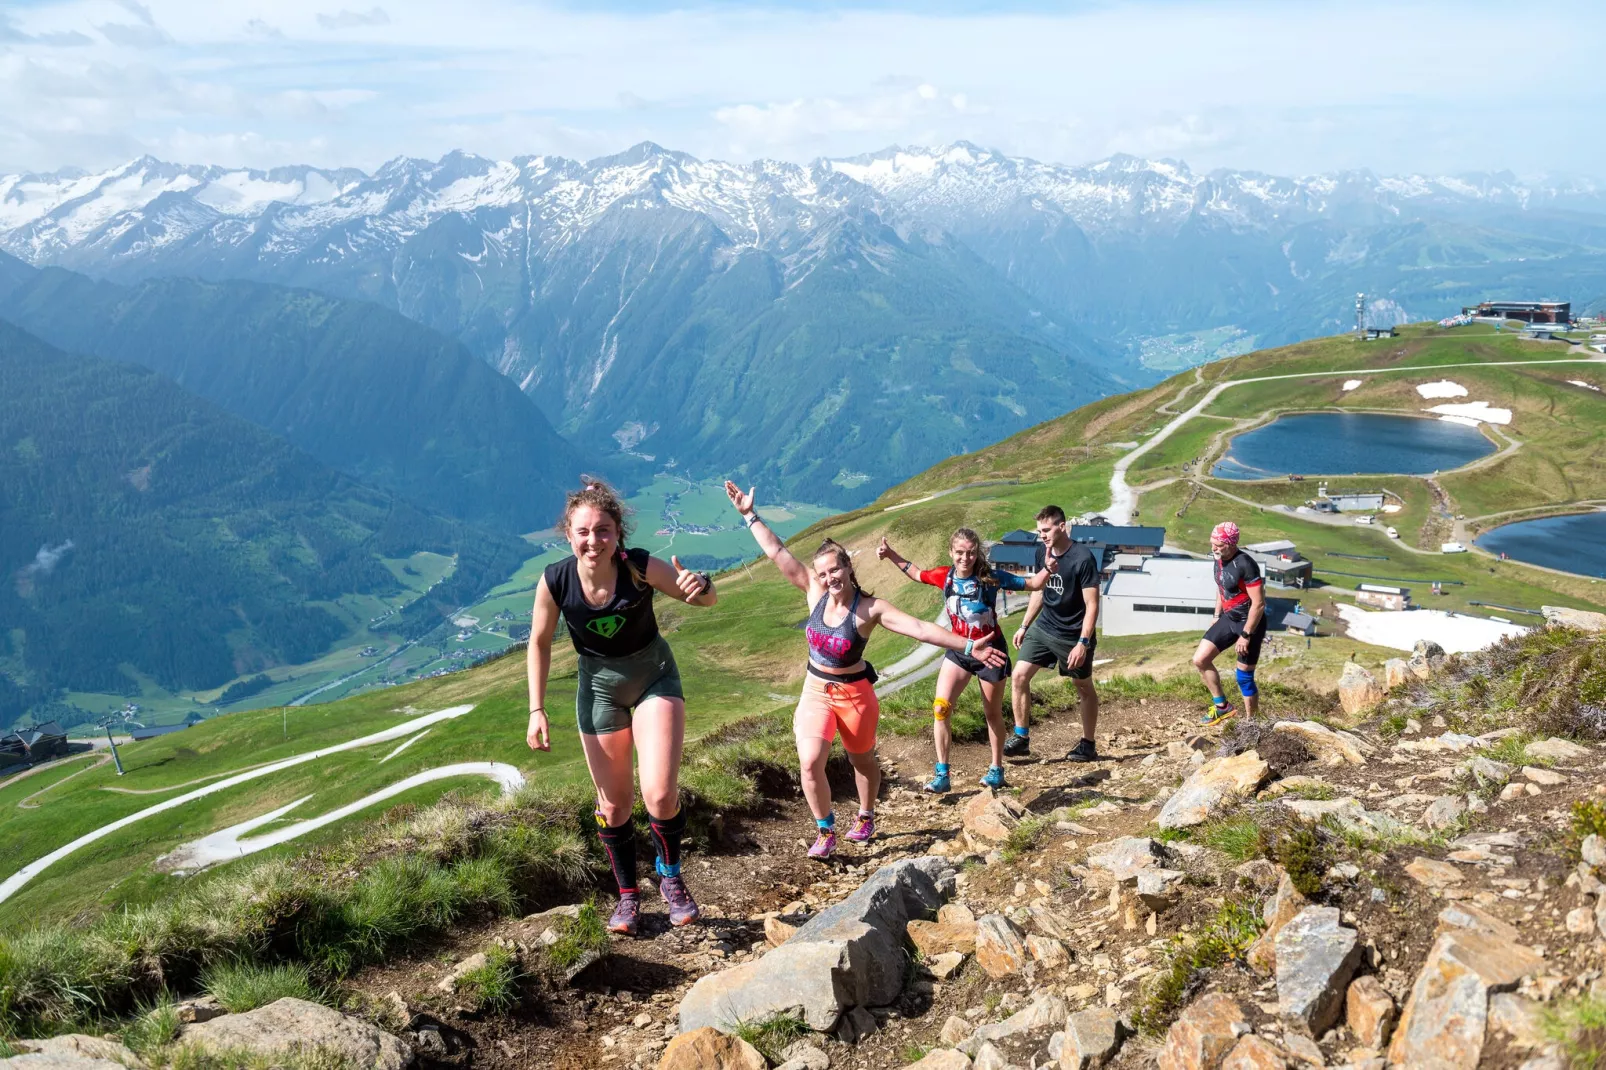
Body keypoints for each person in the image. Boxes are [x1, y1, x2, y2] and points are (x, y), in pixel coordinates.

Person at [726, 481, 1007, 860]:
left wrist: (969, 645)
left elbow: (921, 628)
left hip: (856, 694)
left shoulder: (871, 608)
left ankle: (866, 813)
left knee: (862, 760)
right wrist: (749, 515)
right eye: (823, 573)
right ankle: (826, 830)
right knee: (809, 762)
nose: (829, 579)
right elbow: (777, 551)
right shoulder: (813, 591)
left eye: (835, 570)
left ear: (848, 567)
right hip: (815, 690)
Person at [526, 479, 719, 937]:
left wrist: (700, 585)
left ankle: (670, 878)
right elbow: (538, 643)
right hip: (599, 690)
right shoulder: (556, 580)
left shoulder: (638, 566)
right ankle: (628, 896)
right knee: (613, 805)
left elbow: (706, 599)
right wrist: (536, 709)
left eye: (604, 530)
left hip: (654, 678)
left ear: (618, 533)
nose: (594, 540)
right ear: (568, 535)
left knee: (659, 794)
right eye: (585, 531)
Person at [877, 528, 1053, 792]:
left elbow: (1032, 585)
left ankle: (996, 769)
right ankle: (942, 773)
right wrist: (890, 554)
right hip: (961, 650)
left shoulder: (990, 578)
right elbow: (916, 573)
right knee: (941, 708)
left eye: (971, 552)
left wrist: (1049, 568)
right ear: (951, 552)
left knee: (992, 714)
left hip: (991, 654)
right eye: (960, 552)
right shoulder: (943, 577)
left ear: (977, 553)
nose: (965, 558)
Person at [1008, 505, 1102, 762]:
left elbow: (1092, 604)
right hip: (1045, 626)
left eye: (1047, 530)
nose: (1043, 536)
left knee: (1082, 686)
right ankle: (1022, 737)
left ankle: (1088, 744)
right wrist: (1025, 625)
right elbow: (1039, 590)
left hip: (1073, 634)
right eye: (1040, 531)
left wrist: (1082, 643)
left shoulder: (1082, 558)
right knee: (1018, 676)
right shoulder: (1043, 553)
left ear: (1063, 526)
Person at [1192, 520, 1267, 726]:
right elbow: (1222, 586)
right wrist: (1216, 616)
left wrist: (1246, 635)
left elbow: (1259, 604)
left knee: (1243, 677)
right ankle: (1223, 707)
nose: (1213, 548)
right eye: (1212, 543)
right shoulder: (1218, 558)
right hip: (1228, 618)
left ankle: (1253, 725)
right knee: (1200, 659)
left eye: (1218, 544)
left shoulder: (1246, 564)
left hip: (1249, 623)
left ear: (1232, 544)